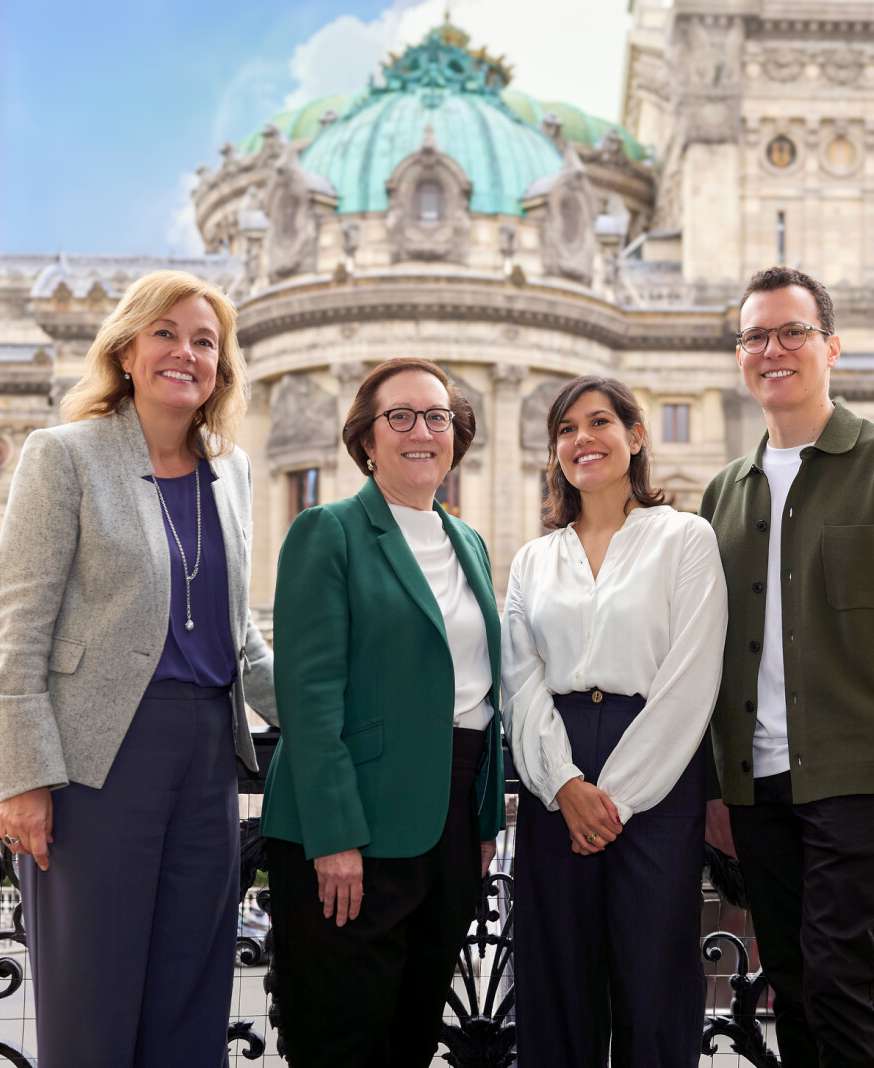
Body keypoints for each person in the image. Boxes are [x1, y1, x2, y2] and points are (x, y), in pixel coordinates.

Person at [0, 270, 276, 1067]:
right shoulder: (64, 455)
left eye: (205, 341)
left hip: (209, 758)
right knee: (94, 999)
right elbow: (19, 636)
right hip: (98, 759)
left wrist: (337, 716)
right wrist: (24, 778)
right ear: (125, 351)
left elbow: (240, 637)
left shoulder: (233, 471)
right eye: (166, 334)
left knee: (192, 994)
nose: (186, 353)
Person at [699, 266, 874, 1066]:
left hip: (862, 786)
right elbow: (705, 658)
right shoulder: (722, 491)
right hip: (757, 789)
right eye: (755, 336)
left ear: (831, 347)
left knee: (844, 984)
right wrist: (715, 785)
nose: (772, 350)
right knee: (792, 985)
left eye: (792, 332)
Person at [260, 356, 506, 1068]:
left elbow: (481, 693)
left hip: (449, 826)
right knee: (342, 1039)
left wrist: (483, 818)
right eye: (400, 417)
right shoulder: (326, 532)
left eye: (438, 417)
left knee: (412, 1037)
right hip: (353, 830)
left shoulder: (470, 544)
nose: (421, 431)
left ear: (456, 438)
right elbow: (309, 699)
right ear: (366, 441)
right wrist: (334, 838)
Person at [502, 375, 727, 1068]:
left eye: (599, 422)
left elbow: (691, 679)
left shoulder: (685, 539)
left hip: (657, 779)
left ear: (635, 436)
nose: (582, 439)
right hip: (554, 780)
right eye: (566, 430)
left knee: (654, 987)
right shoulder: (533, 560)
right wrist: (565, 785)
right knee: (556, 985)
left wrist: (617, 799)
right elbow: (520, 680)